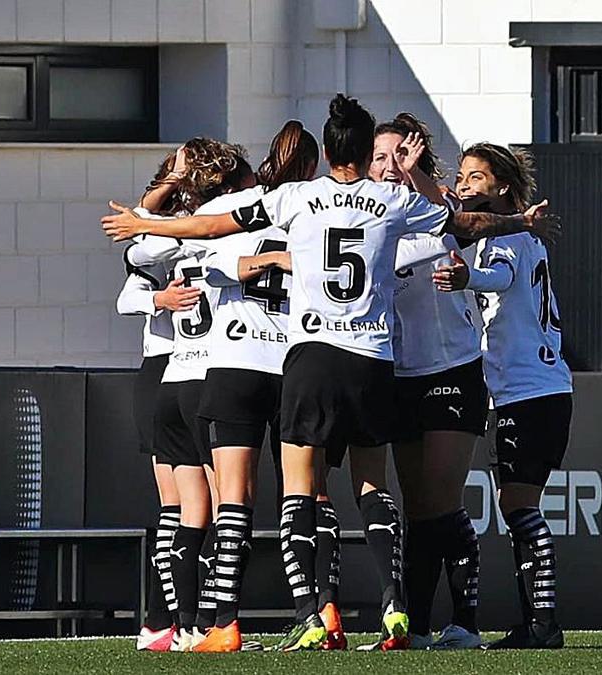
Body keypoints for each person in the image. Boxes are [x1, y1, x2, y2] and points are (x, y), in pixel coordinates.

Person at [100, 95, 560, 652]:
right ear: (367, 153)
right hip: (375, 361)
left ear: (329, 150)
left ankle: (312, 614)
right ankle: (395, 604)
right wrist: (518, 220)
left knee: (303, 488)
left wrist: (146, 221)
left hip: (313, 356)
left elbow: (216, 224)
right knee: (375, 486)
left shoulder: (299, 197)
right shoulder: (392, 201)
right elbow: (464, 222)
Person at [185, 121, 324, 653]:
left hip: (238, 363)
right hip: (293, 363)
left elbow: (213, 263)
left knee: (234, 501)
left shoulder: (238, 214)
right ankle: (314, 612)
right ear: (311, 170)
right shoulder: (312, 216)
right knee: (302, 494)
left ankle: (225, 622)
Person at [433, 142, 571, 649]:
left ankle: (542, 624)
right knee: (520, 506)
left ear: (503, 187)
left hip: (528, 394)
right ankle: (539, 621)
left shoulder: (509, 239)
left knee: (519, 508)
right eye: (463, 176)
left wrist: (469, 277)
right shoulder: (516, 235)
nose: (466, 184)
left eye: (476, 178)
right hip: (540, 389)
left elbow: (500, 276)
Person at [123, 137, 252, 651]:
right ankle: (187, 621)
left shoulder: (177, 236)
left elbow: (136, 240)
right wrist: (160, 295)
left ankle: (168, 622)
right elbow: (131, 278)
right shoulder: (197, 236)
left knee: (185, 508)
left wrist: (156, 208)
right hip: (179, 372)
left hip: (180, 371)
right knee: (198, 506)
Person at [371, 114, 485, 650]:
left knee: (442, 500)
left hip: (452, 369)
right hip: (399, 374)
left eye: (400, 155)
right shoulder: (364, 220)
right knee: (418, 506)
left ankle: (465, 621)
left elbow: (454, 221)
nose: (389, 166)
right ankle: (414, 627)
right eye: (379, 157)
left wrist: (419, 179)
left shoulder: (436, 203)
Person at [121, 151, 203, 652]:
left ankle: (178, 619)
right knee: (177, 505)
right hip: (163, 369)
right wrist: (160, 301)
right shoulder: (160, 242)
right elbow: (128, 289)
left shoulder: (209, 233)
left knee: (200, 508)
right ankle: (161, 618)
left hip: (200, 369)